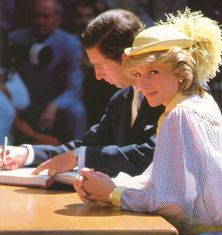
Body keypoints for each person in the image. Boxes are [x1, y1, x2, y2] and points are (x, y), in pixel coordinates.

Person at [71, 9, 222, 235]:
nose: (143, 83)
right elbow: (159, 180)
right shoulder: (199, 103)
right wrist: (110, 185)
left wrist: (112, 193)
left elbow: (173, 204)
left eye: (154, 72)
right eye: (138, 73)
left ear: (182, 72)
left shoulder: (178, 116)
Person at [0, 9, 164, 179]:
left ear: (126, 59)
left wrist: (79, 157)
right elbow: (87, 146)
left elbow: (150, 155)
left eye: (100, 65)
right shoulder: (120, 99)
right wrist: (27, 153)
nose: (98, 75)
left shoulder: (165, 97)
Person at [8, 0, 86, 144]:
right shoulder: (15, 39)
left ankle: (78, 155)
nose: (40, 21)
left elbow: (74, 88)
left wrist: (54, 105)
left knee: (77, 110)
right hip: (24, 101)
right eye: (37, 16)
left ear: (57, 19)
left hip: (55, 102)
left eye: (46, 16)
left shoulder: (70, 44)